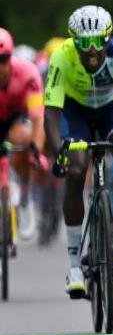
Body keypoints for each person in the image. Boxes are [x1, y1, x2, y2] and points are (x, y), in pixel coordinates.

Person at [44, 5, 113, 297]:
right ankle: (74, 266)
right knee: (77, 169)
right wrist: (60, 152)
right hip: (74, 111)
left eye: (97, 42)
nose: (91, 50)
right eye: (83, 43)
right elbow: (52, 113)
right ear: (73, 42)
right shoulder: (62, 57)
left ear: (108, 39)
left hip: (111, 110)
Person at [0, 29, 47, 241]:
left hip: (16, 117)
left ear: (11, 58)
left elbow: (38, 117)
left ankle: (25, 198)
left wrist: (36, 148)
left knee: (23, 139)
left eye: (3, 59)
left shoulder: (28, 73)